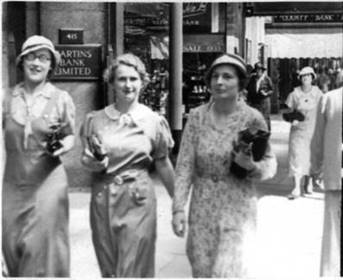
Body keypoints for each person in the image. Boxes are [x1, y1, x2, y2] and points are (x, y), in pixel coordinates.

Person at [171, 53, 277, 277]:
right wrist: (178, 208)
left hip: (237, 208)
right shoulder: (197, 117)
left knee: (229, 271)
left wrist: (251, 167)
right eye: (215, 76)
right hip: (202, 209)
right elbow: (185, 166)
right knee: (202, 269)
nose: (219, 82)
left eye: (227, 76)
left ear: (240, 83)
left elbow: (270, 164)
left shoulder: (252, 118)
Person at [80, 53, 175, 277]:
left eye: (133, 79)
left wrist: (179, 204)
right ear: (111, 83)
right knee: (109, 267)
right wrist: (94, 163)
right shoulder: (95, 120)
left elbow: (163, 163)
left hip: (138, 199)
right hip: (103, 199)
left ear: (142, 82)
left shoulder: (153, 121)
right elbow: (85, 159)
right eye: (122, 79)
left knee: (134, 266)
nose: (128, 85)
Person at [2, 35, 75, 276]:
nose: (36, 63)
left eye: (43, 58)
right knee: (12, 245)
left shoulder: (61, 99)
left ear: (50, 65)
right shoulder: (6, 98)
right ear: (21, 62)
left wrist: (64, 145)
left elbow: (69, 135)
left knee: (43, 250)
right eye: (31, 57)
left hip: (48, 183)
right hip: (14, 185)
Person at [310, 70, 342, 277]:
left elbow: (318, 139)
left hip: (334, 171)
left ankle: (332, 271)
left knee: (333, 227)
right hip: (334, 170)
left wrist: (316, 167)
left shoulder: (329, 99)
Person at [284, 66, 323, 199]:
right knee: (296, 157)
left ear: (312, 78)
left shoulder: (318, 94)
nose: (305, 78)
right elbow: (287, 111)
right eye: (303, 76)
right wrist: (291, 119)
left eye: (308, 76)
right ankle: (296, 187)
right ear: (300, 78)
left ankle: (309, 183)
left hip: (312, 130)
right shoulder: (294, 94)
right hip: (298, 131)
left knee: (310, 158)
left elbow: (323, 111)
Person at [246, 62, 274, 130]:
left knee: (265, 118)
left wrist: (266, 93)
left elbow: (272, 90)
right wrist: (248, 101)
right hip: (254, 101)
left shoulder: (267, 79)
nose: (257, 72)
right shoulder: (252, 79)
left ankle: (266, 133)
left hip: (264, 102)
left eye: (259, 70)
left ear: (262, 71)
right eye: (256, 71)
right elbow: (248, 89)